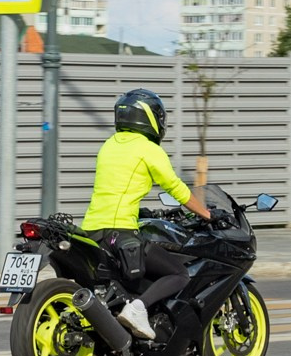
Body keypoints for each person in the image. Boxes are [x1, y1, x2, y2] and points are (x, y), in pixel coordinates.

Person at [78, 87, 210, 339]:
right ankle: (138, 309)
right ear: (150, 117)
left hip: (92, 231)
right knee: (180, 273)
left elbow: (117, 188)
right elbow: (176, 188)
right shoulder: (149, 150)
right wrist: (205, 213)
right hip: (119, 232)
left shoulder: (108, 145)